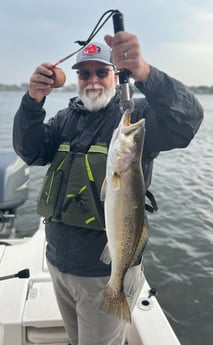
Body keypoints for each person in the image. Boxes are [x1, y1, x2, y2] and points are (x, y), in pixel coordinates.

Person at [13, 32, 203, 345]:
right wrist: (32, 101)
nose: (93, 80)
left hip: (103, 273)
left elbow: (187, 122)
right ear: (76, 79)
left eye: (102, 71)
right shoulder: (65, 119)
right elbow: (31, 151)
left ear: (116, 74)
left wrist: (146, 74)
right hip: (59, 263)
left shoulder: (137, 116)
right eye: (84, 73)